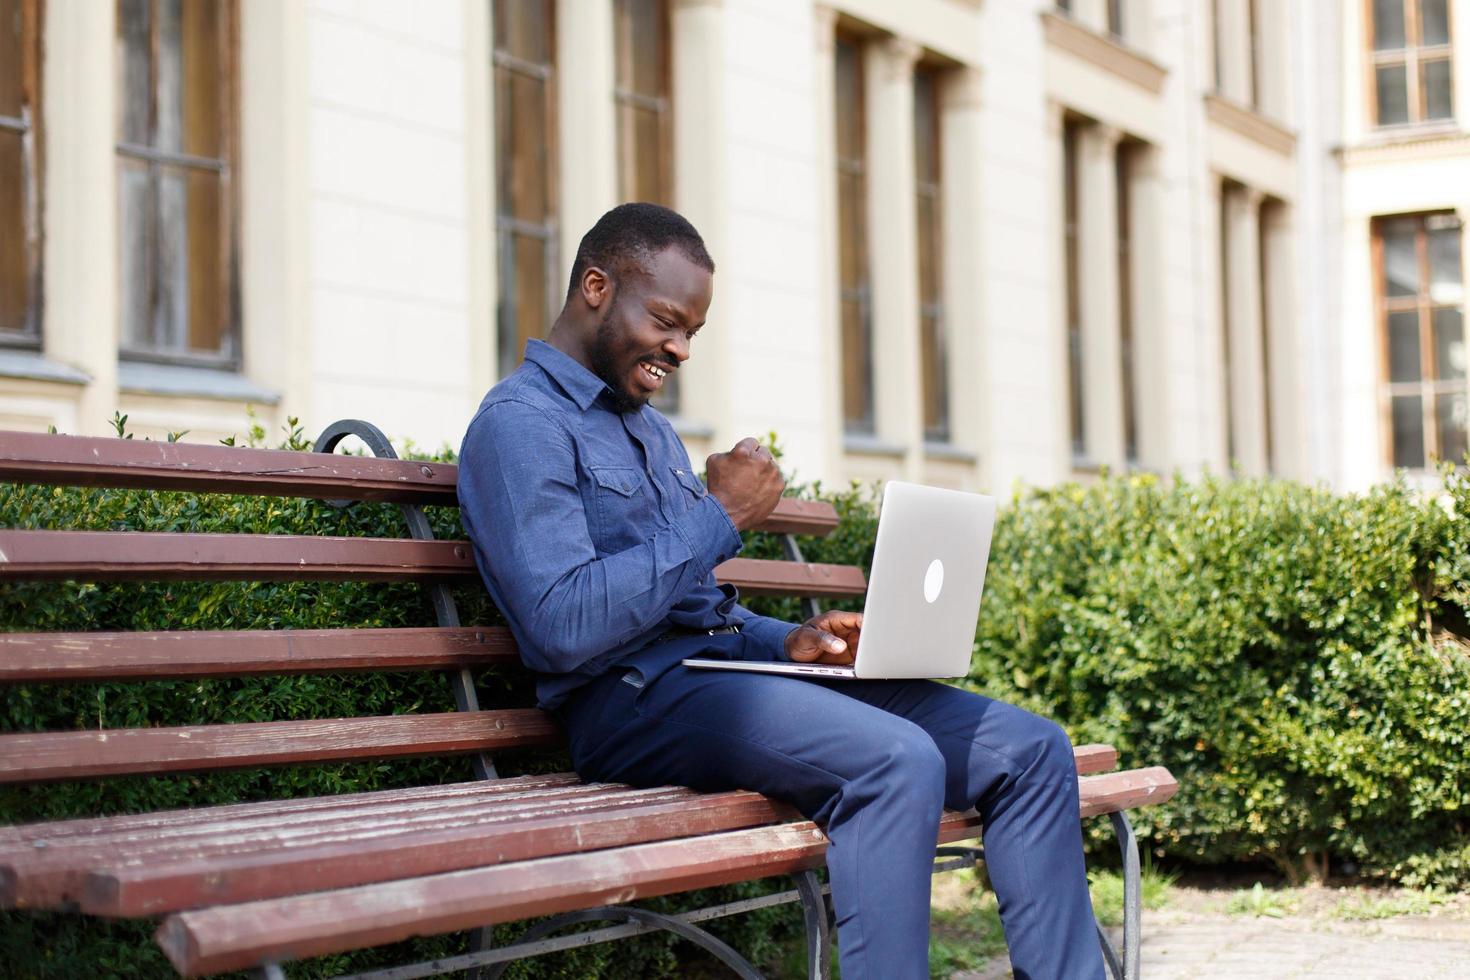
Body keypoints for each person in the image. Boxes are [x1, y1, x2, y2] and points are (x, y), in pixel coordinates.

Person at [457, 203, 1105, 979]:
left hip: (714, 680)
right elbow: (562, 625)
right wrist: (721, 514)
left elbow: (696, 608)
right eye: (667, 321)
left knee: (1031, 750)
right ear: (596, 286)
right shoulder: (520, 424)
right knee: (895, 762)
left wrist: (791, 643)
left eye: (693, 331)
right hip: (625, 702)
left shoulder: (649, 429)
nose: (679, 348)